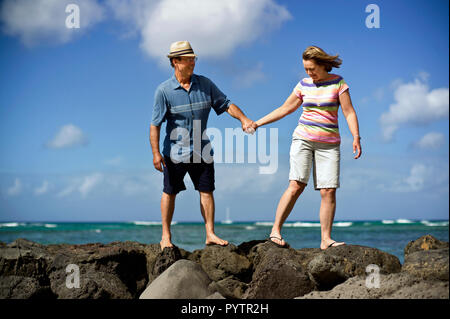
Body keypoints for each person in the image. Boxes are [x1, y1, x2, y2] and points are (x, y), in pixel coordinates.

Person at [251, 46, 362, 250]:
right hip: (303, 139)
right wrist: (258, 123)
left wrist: (356, 136)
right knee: (296, 185)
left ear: (323, 65)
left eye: (312, 68)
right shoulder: (303, 84)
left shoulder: (338, 82)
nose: (309, 73)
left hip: (329, 145)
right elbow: (285, 108)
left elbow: (348, 112)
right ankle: (275, 231)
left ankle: (326, 239)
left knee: (328, 191)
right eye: (306, 69)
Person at [150, 41, 255, 250]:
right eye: (188, 59)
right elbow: (155, 125)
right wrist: (155, 153)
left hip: (202, 150)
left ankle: (210, 234)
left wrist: (243, 119)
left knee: (206, 191)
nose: (192, 62)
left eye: (193, 59)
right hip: (174, 153)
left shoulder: (205, 84)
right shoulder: (163, 91)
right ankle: (165, 236)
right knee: (169, 192)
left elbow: (226, 104)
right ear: (175, 62)